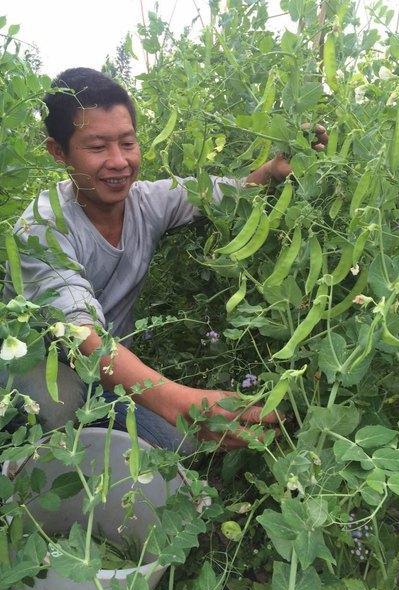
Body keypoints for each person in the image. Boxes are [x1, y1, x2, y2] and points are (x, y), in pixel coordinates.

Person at [2, 68, 327, 451]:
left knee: (181, 444)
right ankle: (22, 470)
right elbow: (78, 335)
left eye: (127, 142)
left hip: (109, 367)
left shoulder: (146, 202)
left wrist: (272, 171)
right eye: (97, 146)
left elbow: (225, 193)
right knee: (59, 407)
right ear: (58, 151)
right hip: (39, 370)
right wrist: (181, 402)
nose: (119, 161)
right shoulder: (41, 228)